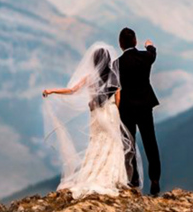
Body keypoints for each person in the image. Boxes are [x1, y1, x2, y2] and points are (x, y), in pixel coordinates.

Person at [41, 43, 132, 198]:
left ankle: (92, 174)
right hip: (111, 112)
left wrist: (52, 91)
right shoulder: (115, 77)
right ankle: (113, 176)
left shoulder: (91, 78)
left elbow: (72, 91)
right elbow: (118, 99)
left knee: (96, 142)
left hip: (96, 114)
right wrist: (115, 111)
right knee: (112, 142)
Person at [115, 27, 161, 196]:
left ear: (120, 44)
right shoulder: (145, 57)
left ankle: (133, 178)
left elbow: (113, 85)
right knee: (150, 141)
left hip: (126, 107)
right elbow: (152, 53)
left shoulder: (117, 64)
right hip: (145, 105)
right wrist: (149, 45)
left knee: (129, 142)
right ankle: (154, 179)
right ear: (135, 41)